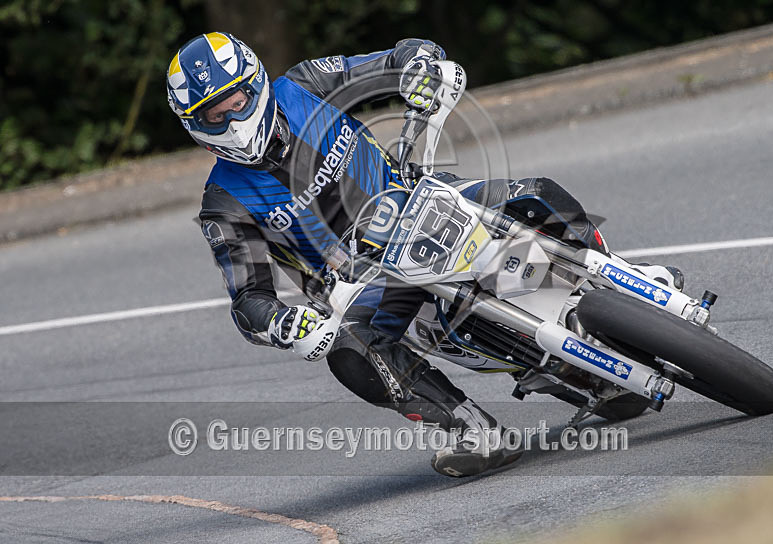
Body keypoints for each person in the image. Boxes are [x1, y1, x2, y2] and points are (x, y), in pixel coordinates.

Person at [167, 32, 682, 477]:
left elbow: (399, 57)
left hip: (425, 198)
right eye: (214, 114)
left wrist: (420, 68)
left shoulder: (303, 84)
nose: (232, 119)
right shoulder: (223, 203)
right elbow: (248, 299)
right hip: (368, 276)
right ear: (195, 126)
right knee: (352, 353)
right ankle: (468, 427)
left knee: (535, 192)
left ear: (257, 84)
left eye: (237, 101)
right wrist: (286, 324)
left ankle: (624, 277)